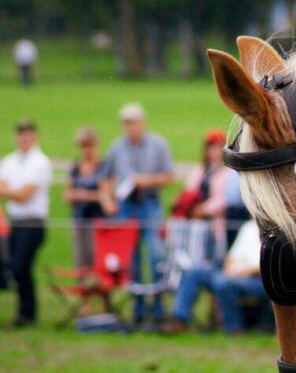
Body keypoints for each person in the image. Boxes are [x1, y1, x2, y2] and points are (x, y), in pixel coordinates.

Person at [98, 102, 173, 326]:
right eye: (126, 123)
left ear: (142, 123)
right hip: (126, 207)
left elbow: (168, 176)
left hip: (149, 204)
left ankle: (158, 310)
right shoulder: (116, 148)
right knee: (131, 260)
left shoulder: (157, 145)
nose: (130, 127)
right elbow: (104, 177)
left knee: (155, 256)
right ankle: (138, 311)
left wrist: (145, 180)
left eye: (134, 122)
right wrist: (107, 200)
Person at [163, 219, 266, 334]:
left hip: (257, 279)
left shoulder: (273, 229)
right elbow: (231, 255)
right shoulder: (248, 227)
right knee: (194, 272)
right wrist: (229, 269)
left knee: (224, 283)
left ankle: (233, 328)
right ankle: (179, 319)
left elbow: (269, 264)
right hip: (230, 274)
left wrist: (240, 272)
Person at [0, 120, 52, 326]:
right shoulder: (10, 160)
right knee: (16, 267)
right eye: (20, 134)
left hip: (33, 222)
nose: (24, 138)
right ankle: (24, 312)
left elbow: (24, 194)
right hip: (14, 222)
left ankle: (28, 312)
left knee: (21, 266)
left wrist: (9, 191)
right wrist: (12, 191)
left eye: (27, 134)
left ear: (34, 136)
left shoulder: (39, 161)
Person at [178, 128, 229, 256]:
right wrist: (192, 207)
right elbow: (189, 189)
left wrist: (203, 210)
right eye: (212, 147)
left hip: (215, 221)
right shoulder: (200, 169)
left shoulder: (228, 172)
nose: (215, 151)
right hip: (195, 219)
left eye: (218, 147)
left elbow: (223, 197)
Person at [64, 126, 106, 269]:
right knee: (80, 257)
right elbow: (67, 193)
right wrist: (74, 195)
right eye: (83, 146)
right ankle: (83, 288)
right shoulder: (75, 167)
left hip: (97, 218)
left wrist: (84, 195)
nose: (86, 149)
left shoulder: (102, 166)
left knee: (94, 255)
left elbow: (106, 194)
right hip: (79, 217)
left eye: (89, 145)